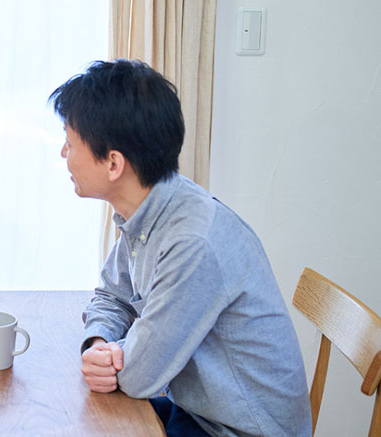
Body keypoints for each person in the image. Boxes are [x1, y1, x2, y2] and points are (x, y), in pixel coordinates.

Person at [49, 60, 311, 437]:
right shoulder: (148, 207)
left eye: (70, 143)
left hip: (237, 429)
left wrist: (120, 359)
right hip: (196, 410)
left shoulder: (192, 241)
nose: (63, 154)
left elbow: (140, 376)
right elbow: (112, 296)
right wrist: (99, 343)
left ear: (113, 163)